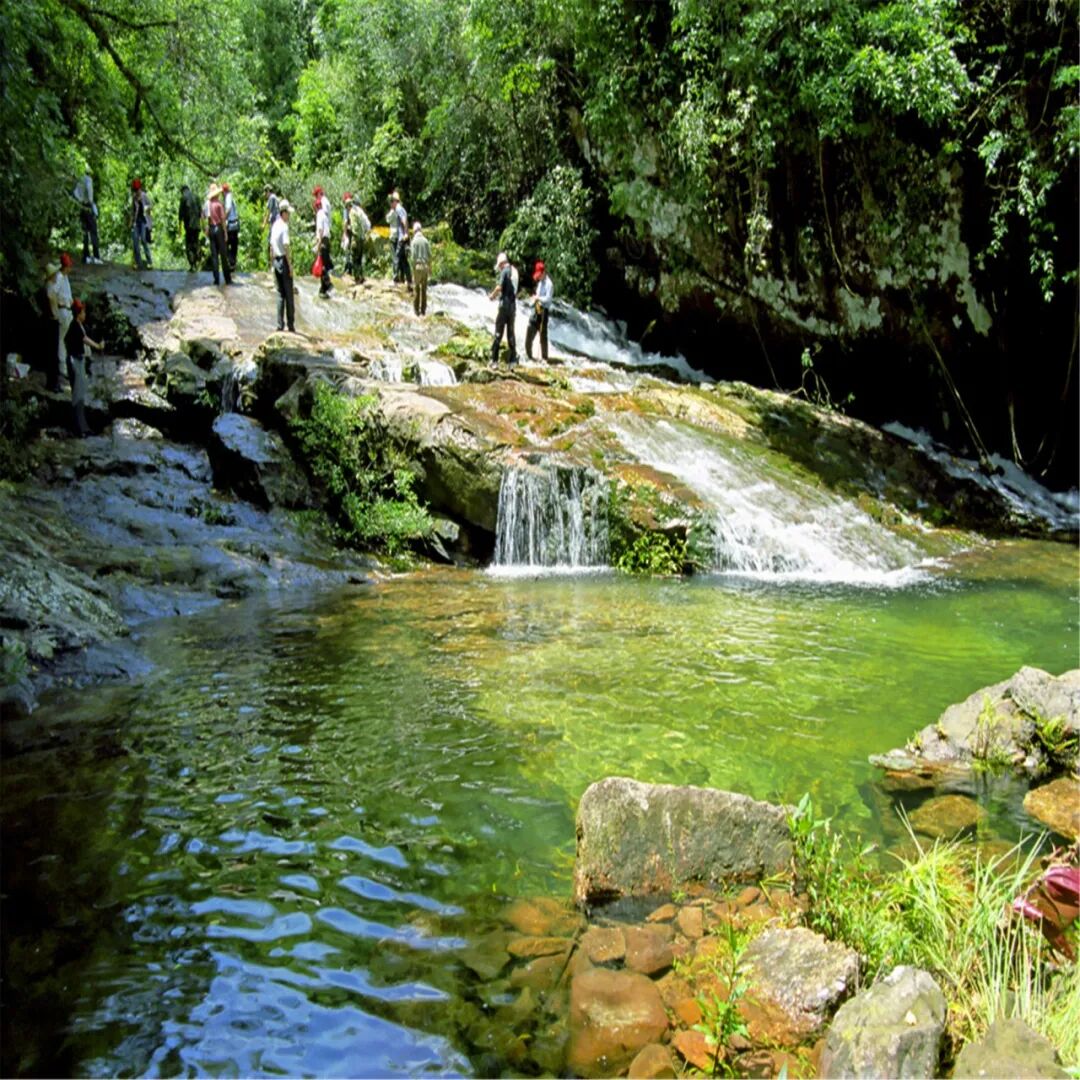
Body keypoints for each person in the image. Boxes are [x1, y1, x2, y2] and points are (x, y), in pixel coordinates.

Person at [64, 299, 103, 436]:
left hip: (78, 359)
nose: (85, 314)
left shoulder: (79, 325)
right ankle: (78, 428)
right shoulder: (74, 325)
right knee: (77, 395)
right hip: (75, 361)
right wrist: (97, 346)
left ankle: (83, 427)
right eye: (83, 311)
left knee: (80, 394)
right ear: (78, 313)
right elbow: (84, 339)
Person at [45, 254, 74, 391]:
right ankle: (62, 370)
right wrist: (55, 311)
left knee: (63, 341)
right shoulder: (57, 281)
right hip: (61, 313)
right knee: (60, 343)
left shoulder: (63, 278)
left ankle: (64, 369)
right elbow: (52, 296)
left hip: (66, 311)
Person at [270, 200, 296, 333]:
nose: (289, 216)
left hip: (276, 261)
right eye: (288, 213)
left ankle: (280, 325)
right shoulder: (284, 227)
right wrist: (290, 266)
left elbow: (271, 246)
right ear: (283, 213)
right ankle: (291, 326)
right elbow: (286, 246)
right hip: (284, 262)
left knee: (280, 294)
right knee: (289, 294)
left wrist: (271, 263)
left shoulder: (274, 225)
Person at [489, 251, 517, 367]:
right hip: (513, 306)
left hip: (504, 306)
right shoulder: (515, 271)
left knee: (498, 333)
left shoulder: (505, 271)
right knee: (511, 334)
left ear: (501, 264)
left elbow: (499, 287)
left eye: (499, 266)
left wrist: (492, 296)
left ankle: (494, 361)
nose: (499, 269)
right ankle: (512, 361)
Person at [526, 260, 554, 362]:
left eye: (539, 275)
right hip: (536, 309)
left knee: (543, 335)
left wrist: (538, 298)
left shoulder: (549, 284)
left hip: (544, 312)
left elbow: (548, 299)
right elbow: (537, 295)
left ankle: (544, 358)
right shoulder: (540, 283)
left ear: (543, 272)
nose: (538, 277)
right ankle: (528, 355)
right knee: (530, 330)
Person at [72, 169, 101, 264]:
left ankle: (86, 256)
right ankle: (96, 257)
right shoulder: (88, 180)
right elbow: (89, 192)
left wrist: (80, 200)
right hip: (88, 206)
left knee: (84, 232)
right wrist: (91, 203)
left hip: (82, 207)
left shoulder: (80, 180)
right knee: (93, 231)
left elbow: (75, 193)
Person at [205, 183, 232, 285]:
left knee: (214, 256)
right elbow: (223, 219)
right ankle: (227, 278)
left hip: (211, 229)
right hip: (219, 229)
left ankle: (216, 279)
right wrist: (225, 233)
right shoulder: (219, 204)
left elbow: (204, 216)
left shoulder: (208, 204)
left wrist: (207, 228)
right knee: (223, 255)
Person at [388, 190, 411, 287]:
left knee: (396, 257)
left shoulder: (398, 208)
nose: (390, 203)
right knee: (403, 259)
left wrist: (405, 233)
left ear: (395, 201)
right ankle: (409, 279)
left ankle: (395, 279)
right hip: (402, 237)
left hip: (402, 237)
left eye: (391, 201)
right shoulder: (398, 209)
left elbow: (404, 221)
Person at [129, 178, 153, 269]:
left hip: (144, 222)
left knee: (143, 240)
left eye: (137, 189)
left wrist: (150, 224)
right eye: (135, 190)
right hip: (136, 222)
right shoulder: (133, 198)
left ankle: (149, 262)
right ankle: (138, 263)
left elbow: (150, 207)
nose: (136, 192)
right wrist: (131, 222)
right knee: (135, 241)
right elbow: (132, 211)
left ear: (140, 188)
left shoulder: (144, 196)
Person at [178, 184, 202, 271]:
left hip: (189, 226)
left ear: (183, 191)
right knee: (195, 242)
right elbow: (200, 213)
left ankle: (192, 265)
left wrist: (180, 229)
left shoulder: (183, 198)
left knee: (189, 245)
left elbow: (180, 214)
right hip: (197, 225)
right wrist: (202, 225)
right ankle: (197, 260)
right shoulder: (196, 197)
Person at [410, 221, 432, 316]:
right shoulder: (426, 241)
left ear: (415, 231)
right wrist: (430, 268)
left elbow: (413, 257)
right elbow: (430, 256)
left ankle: (416, 311)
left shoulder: (414, 241)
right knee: (424, 289)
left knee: (416, 289)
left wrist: (413, 269)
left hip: (417, 266)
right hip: (425, 267)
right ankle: (423, 310)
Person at [347, 195, 370, 284]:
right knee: (359, 258)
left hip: (356, 239)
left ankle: (357, 278)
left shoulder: (352, 213)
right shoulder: (358, 212)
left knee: (354, 258)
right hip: (361, 238)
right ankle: (361, 276)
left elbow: (355, 227)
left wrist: (351, 230)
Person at [314, 190, 333, 297]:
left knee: (322, 265)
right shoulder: (325, 215)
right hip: (327, 240)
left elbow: (320, 231)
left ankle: (327, 284)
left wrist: (318, 244)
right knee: (324, 263)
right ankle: (323, 290)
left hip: (323, 241)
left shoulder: (319, 215)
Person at [222, 183, 240, 270]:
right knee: (233, 245)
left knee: (228, 244)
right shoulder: (230, 196)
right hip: (234, 224)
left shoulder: (228, 197)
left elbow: (228, 209)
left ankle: (231, 262)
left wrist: (223, 218)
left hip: (231, 224)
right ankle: (232, 263)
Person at [262, 185, 279, 267]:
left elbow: (268, 212)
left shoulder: (272, 198)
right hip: (276, 223)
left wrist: (264, 224)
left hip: (274, 224)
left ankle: (272, 265)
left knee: (271, 243)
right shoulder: (275, 198)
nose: (265, 194)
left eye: (265, 192)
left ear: (268, 191)